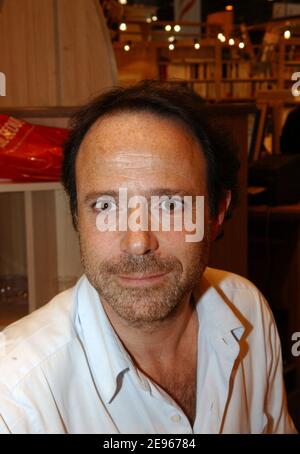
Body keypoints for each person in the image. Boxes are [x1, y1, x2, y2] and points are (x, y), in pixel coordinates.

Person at [0, 81, 296, 434]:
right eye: (106, 205)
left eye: (171, 205)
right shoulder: (16, 400)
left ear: (216, 214)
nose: (138, 242)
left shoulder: (246, 308)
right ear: (76, 217)